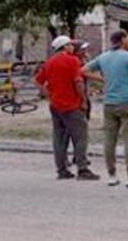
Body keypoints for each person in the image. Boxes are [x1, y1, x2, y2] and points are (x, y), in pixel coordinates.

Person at [85, 30, 128, 188]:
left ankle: (112, 175)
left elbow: (84, 70)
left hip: (109, 104)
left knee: (109, 140)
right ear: (122, 39)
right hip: (127, 103)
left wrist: (103, 79)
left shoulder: (103, 57)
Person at [34, 36, 99, 181]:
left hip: (55, 105)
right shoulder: (72, 60)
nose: (72, 47)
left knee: (59, 138)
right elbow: (78, 82)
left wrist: (48, 95)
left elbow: (38, 81)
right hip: (71, 105)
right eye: (70, 44)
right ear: (65, 46)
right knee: (80, 136)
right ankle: (82, 168)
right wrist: (83, 100)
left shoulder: (49, 63)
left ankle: (61, 169)